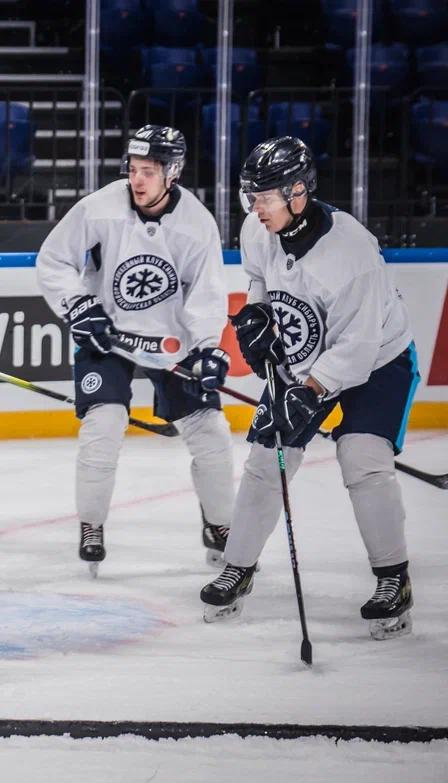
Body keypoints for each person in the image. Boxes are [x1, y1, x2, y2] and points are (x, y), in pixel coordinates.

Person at [201, 137, 417, 639]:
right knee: (264, 458)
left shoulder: (351, 251)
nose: (255, 209)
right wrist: (256, 318)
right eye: (250, 197)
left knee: (362, 458)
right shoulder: (259, 229)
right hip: (303, 362)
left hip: (378, 361)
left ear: (298, 192)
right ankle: (239, 566)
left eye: (265, 198)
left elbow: (358, 348)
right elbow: (259, 281)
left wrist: (312, 389)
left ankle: (394, 579)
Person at [36, 125, 235, 574]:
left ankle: (221, 525)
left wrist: (205, 348)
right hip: (107, 336)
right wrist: (78, 304)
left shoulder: (197, 223)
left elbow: (207, 292)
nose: (138, 179)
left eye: (149, 170)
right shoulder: (100, 207)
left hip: (172, 341)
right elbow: (53, 259)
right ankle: (92, 524)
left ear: (173, 173)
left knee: (210, 433)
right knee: (102, 428)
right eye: (132, 169)